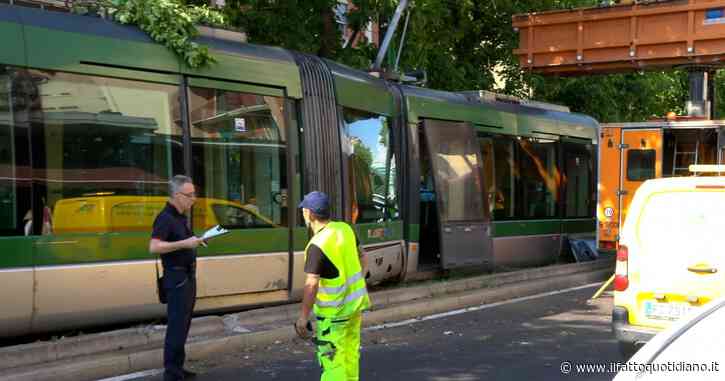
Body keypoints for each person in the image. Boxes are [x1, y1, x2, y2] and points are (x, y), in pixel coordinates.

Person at [294, 191, 370, 381]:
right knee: (350, 356)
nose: (303, 214)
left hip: (333, 316)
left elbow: (311, 284)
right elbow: (364, 257)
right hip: (354, 309)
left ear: (310, 214)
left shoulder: (316, 245)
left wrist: (303, 317)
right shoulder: (346, 229)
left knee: (333, 362)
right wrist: (358, 281)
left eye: (304, 211)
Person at [149, 175, 205, 381]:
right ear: (176, 195)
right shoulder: (165, 217)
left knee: (184, 325)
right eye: (189, 195)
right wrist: (184, 244)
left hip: (187, 275)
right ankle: (171, 374)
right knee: (176, 326)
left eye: (194, 194)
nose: (194, 199)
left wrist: (197, 241)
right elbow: (154, 246)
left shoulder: (181, 217)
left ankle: (178, 368)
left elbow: (185, 241)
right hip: (176, 277)